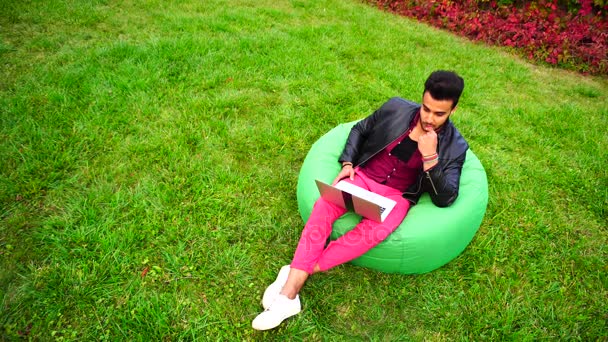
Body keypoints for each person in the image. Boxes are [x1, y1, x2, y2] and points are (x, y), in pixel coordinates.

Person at [252, 70, 469, 330]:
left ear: (453, 110)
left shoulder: (456, 147)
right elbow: (360, 129)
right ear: (421, 100)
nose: (429, 118)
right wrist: (348, 162)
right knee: (324, 205)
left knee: (373, 233)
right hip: (364, 177)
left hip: (398, 196)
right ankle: (289, 296)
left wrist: (431, 159)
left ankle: (295, 275)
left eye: (439, 113)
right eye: (426, 109)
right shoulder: (396, 108)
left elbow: (446, 198)